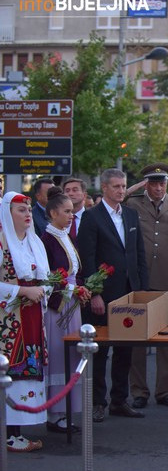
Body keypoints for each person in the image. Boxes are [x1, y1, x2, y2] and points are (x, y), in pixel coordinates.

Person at [78, 168, 149, 423]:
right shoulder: (91, 217)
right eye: (116, 186)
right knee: (101, 351)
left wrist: (142, 290)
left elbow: (138, 254)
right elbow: (87, 258)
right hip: (103, 295)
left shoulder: (131, 215)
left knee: (125, 349)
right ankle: (98, 402)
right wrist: (94, 293)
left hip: (129, 293)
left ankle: (120, 400)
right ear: (105, 188)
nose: (121, 190)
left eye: (123, 186)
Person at [125, 163, 168, 409]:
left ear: (167, 183)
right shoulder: (132, 204)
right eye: (152, 183)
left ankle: (164, 390)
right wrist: (133, 189)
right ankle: (139, 391)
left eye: (161, 183)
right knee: (137, 340)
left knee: (166, 340)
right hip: (140, 282)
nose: (157, 187)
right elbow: (113, 203)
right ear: (146, 184)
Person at [1, 192, 49, 452]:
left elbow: (44, 276)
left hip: (32, 318)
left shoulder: (34, 242)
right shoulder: (1, 243)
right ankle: (8, 434)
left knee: (26, 370)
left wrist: (45, 289)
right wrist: (21, 291)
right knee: (9, 371)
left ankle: (16, 432)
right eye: (21, 210)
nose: (28, 214)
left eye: (29, 209)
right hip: (8, 322)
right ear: (8, 213)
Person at [41, 187, 90, 435]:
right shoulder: (46, 239)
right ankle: (55, 413)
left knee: (71, 356)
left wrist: (82, 287)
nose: (71, 215)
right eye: (67, 211)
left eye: (72, 211)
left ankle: (67, 410)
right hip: (57, 305)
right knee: (59, 355)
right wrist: (73, 289)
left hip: (71, 303)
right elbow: (47, 275)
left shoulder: (65, 236)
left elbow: (75, 271)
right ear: (52, 213)